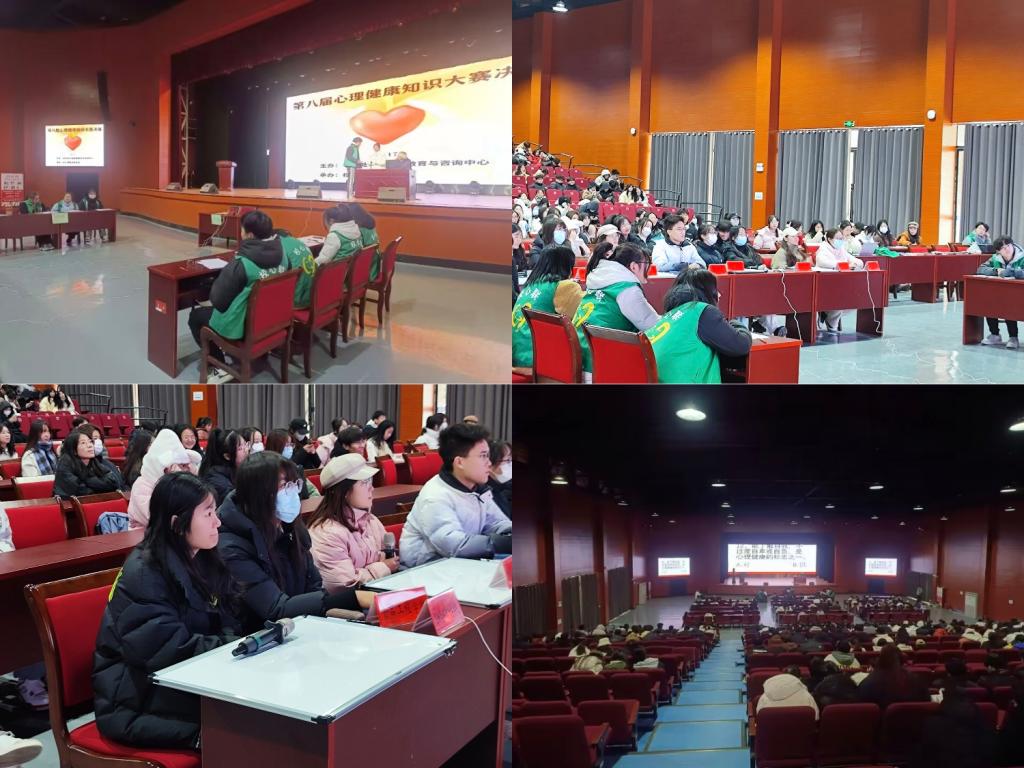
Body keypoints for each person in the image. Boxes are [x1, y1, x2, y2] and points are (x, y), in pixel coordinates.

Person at [93, 472, 242, 750]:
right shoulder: (144, 574)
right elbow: (168, 652)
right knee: (252, 732)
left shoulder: (203, 558)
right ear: (177, 523)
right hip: (137, 700)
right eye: (208, 514)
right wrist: (236, 646)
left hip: (182, 684)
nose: (218, 522)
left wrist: (244, 643)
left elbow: (228, 617)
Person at [217, 451, 373, 631]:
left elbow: (314, 586)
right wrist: (353, 598)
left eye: (295, 484)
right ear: (259, 492)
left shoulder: (290, 526)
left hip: (299, 629)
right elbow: (275, 609)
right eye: (285, 485)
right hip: (259, 637)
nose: (293, 493)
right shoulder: (232, 546)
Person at [186, 211, 295, 381]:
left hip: (245, 328)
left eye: (242, 229)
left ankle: (218, 365)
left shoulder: (242, 263)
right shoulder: (284, 257)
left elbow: (218, 301)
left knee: (196, 317)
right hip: (273, 320)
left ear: (249, 235)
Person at [399, 423, 511, 568]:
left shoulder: (477, 489)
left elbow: (495, 523)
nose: (489, 463)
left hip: (462, 565)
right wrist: (498, 543)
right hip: (425, 570)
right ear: (459, 462)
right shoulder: (435, 496)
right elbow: (454, 546)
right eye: (483, 456)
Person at [308, 454, 398, 591]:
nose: (372, 488)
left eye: (370, 481)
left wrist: (384, 562)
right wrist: (384, 567)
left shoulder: (371, 520)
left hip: (379, 593)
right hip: (351, 602)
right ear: (343, 491)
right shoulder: (326, 533)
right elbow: (345, 585)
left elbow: (388, 556)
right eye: (364, 482)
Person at [645, 269, 752, 383]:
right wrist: (734, 322)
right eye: (716, 289)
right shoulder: (702, 311)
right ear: (709, 291)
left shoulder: (670, 315)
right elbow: (741, 344)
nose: (719, 294)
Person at [574, 242, 660, 378]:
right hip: (601, 366)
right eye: (646, 264)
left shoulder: (599, 278)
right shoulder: (627, 289)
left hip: (578, 357)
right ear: (634, 266)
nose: (647, 269)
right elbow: (653, 326)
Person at [512, 245, 583, 370]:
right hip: (540, 361)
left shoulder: (529, 286)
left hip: (517, 356)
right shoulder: (564, 286)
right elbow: (581, 316)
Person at [128, 429, 201, 529]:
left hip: (175, 530)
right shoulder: (142, 484)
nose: (172, 469)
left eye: (176, 464)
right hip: (145, 532)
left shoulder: (177, 478)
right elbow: (153, 517)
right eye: (167, 467)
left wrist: (189, 473)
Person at [814, 227, 865, 333]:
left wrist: (856, 263)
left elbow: (856, 261)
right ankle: (831, 321)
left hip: (842, 283)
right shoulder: (823, 249)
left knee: (854, 299)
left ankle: (828, 315)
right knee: (839, 299)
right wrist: (842, 265)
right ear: (829, 239)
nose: (840, 241)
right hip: (825, 285)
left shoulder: (841, 249)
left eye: (841, 238)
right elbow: (823, 262)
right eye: (838, 238)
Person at [977, 236, 1024, 348]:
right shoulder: (995, 258)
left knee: (1009, 305)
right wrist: (996, 271)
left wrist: (1013, 272)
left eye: (1008, 245)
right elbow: (980, 269)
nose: (1007, 249)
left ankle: (1013, 337)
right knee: (989, 303)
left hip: (1019, 294)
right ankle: (995, 334)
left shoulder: (1022, 257)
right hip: (1000, 293)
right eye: (1003, 248)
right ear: (998, 251)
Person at [53, 427, 126, 499]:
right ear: (74, 450)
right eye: (83, 443)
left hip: (99, 501)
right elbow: (82, 492)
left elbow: (113, 482)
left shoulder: (94, 462)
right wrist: (99, 486)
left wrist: (87, 480)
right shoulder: (65, 465)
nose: (90, 445)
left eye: (90, 441)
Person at [857, 644, 929, 709]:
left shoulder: (866, 684)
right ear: (902, 661)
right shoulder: (916, 681)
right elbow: (926, 703)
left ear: (879, 660)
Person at [199, 428, 250, 505]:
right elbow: (235, 501)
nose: (247, 450)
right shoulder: (215, 477)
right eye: (240, 448)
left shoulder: (239, 468)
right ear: (227, 456)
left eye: (245, 444)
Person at [349, 202, 382, 279]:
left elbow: (353, 251)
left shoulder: (359, 230)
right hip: (374, 267)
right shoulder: (370, 225)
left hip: (365, 270)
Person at [487, 440, 512, 518]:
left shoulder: (506, 486)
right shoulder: (486, 494)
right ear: (490, 464)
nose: (510, 464)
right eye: (508, 460)